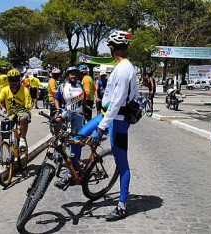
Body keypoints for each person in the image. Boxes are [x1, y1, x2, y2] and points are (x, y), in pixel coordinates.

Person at [56, 31, 139, 221]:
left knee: (122, 163)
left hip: (117, 121)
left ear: (111, 48)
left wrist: (101, 128)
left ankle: (122, 206)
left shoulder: (124, 69)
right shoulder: (118, 66)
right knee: (76, 140)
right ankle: (72, 173)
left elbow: (117, 102)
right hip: (105, 115)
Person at [0, 69, 32, 167]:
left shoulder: (25, 90)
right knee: (1, 133)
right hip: (10, 114)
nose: (14, 82)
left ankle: (22, 139)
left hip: (22, 112)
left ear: (19, 80)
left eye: (16, 80)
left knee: (22, 118)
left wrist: (26, 108)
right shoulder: (5, 90)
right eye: (12, 80)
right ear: (8, 80)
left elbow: (28, 104)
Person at [53, 66, 86, 185]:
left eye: (75, 74)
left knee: (76, 140)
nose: (73, 76)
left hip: (78, 114)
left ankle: (75, 162)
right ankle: (56, 141)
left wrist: (84, 114)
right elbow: (56, 98)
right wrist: (57, 110)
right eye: (71, 74)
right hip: (66, 112)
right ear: (68, 75)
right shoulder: (62, 86)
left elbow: (84, 100)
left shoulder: (80, 86)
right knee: (57, 121)